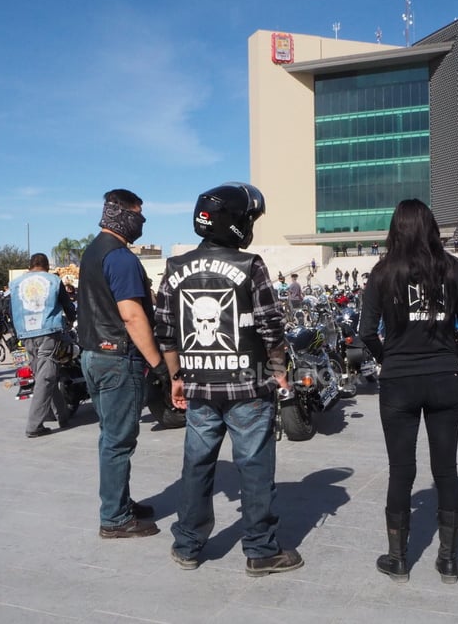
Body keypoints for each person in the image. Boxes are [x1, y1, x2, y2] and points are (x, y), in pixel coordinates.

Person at [155, 182, 303, 577]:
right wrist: (278, 370)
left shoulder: (173, 268)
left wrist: (175, 377)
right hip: (248, 387)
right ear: (235, 221)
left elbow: (166, 330)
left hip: (199, 386)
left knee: (197, 464)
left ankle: (188, 544)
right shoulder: (249, 265)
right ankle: (260, 550)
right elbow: (272, 326)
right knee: (254, 466)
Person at [359, 199, 458, 584]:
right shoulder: (454, 269)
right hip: (444, 379)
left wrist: (388, 357)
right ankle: (448, 560)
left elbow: (365, 333)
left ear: (396, 230)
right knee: (446, 470)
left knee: (401, 471)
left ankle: (398, 559)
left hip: (399, 380)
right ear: (431, 227)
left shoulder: (383, 272)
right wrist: (451, 357)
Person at [77, 188, 164, 539]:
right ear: (124, 213)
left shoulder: (94, 252)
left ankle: (120, 501)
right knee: (118, 441)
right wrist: (158, 363)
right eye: (139, 214)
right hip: (117, 358)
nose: (141, 221)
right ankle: (114, 518)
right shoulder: (121, 257)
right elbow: (131, 315)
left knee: (110, 437)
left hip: (93, 355)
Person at [9, 253, 77, 438]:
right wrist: (72, 319)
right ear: (46, 266)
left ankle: (62, 416)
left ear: (30, 266)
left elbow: (10, 308)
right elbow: (67, 305)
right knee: (46, 378)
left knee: (44, 375)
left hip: (26, 333)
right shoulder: (53, 280)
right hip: (48, 331)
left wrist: (16, 332)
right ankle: (34, 425)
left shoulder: (16, 283)